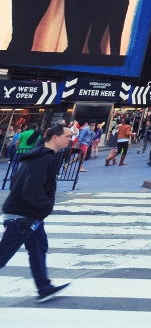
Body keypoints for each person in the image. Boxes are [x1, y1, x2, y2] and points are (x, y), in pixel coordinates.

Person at [0, 123, 71, 302]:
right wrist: (47, 206)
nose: (70, 140)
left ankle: (44, 288)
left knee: (39, 247)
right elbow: (31, 189)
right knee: (3, 255)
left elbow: (15, 182)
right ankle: (44, 287)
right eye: (67, 136)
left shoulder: (37, 155)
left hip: (28, 214)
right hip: (23, 216)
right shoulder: (45, 158)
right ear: (55, 137)